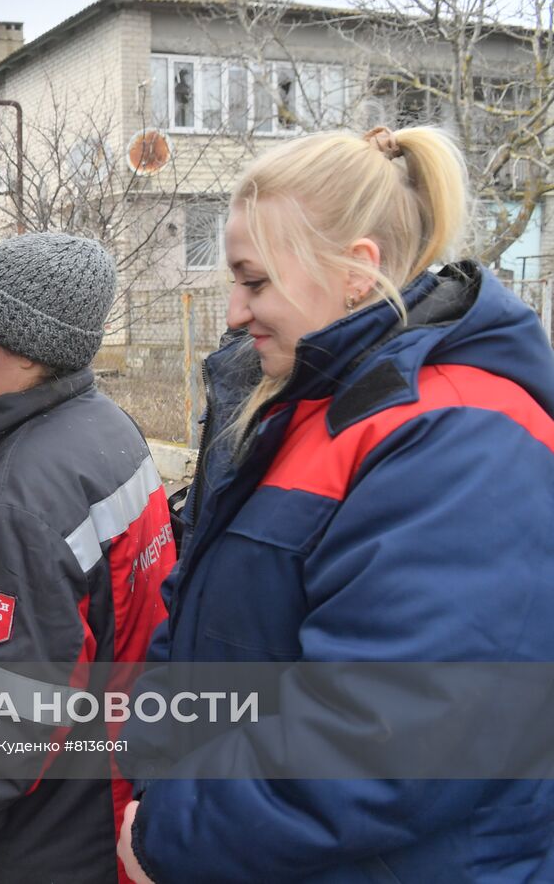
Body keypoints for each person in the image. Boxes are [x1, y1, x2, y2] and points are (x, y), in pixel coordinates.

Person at [116, 127, 554, 882]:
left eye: (254, 281)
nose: (232, 309)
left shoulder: (458, 435)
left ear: (357, 271)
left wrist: (172, 827)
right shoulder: (312, 409)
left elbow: (390, 735)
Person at [0, 233, 176, 884]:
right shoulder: (106, 426)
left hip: (56, 821)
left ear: (24, 351)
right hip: (121, 767)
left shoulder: (19, 498)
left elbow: (2, 695)